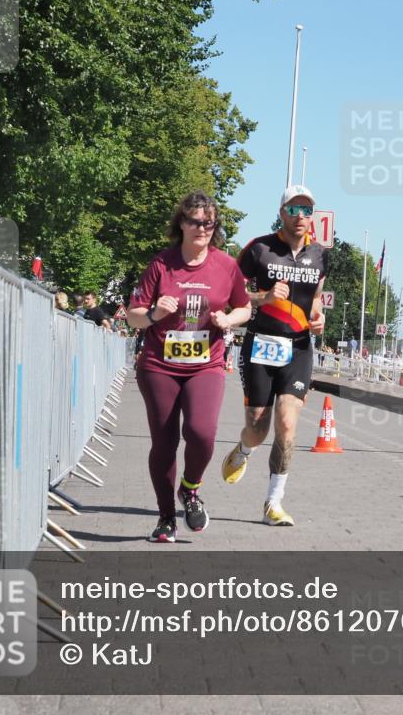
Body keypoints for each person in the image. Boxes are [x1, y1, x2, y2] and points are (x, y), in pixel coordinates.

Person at [128, 190, 252, 543]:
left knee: (201, 432)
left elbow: (244, 308)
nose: (203, 228)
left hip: (206, 365)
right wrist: (154, 313)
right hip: (159, 366)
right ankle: (166, 517)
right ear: (181, 224)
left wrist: (229, 319)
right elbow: (134, 316)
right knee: (164, 444)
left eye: (209, 223)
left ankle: (190, 488)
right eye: (196, 221)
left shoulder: (226, 266)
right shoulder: (161, 265)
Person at [221, 184, 327, 526]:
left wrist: (318, 317)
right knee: (257, 427)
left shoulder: (321, 255)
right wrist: (262, 297)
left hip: (298, 348)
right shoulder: (259, 249)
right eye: (293, 210)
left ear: (313, 217)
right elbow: (231, 294)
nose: (300, 217)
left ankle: (273, 502)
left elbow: (315, 297)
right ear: (281, 213)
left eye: (306, 211)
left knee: (286, 424)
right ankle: (243, 449)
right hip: (261, 346)